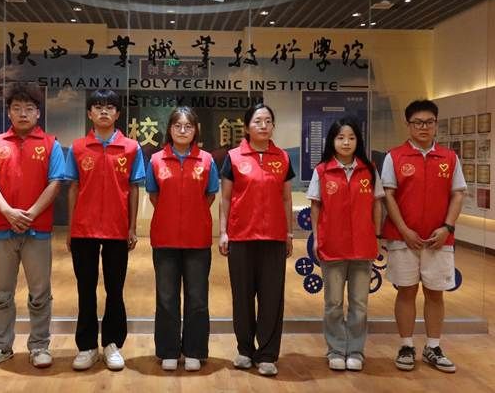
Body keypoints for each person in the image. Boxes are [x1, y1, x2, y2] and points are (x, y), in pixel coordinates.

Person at [0, 83, 65, 369]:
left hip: (38, 230)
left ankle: (39, 345)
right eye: (17, 108)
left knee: (40, 293)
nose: (23, 113)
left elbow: (56, 182)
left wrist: (31, 214)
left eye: (29, 108)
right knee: (1, 293)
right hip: (3, 229)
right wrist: (7, 211)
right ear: (9, 112)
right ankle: (0, 346)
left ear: (38, 113)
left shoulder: (50, 144)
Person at [382, 99, 466, 373]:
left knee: (435, 293)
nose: (424, 127)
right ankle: (406, 346)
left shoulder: (449, 158)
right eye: (418, 122)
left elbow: (458, 194)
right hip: (402, 239)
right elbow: (388, 196)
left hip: (439, 240)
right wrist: (404, 231)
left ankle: (433, 347)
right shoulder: (394, 156)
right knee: (406, 291)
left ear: (436, 124)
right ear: (408, 125)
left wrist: (447, 227)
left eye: (429, 122)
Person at [65, 89, 145, 371]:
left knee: (115, 290)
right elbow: (73, 188)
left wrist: (132, 227)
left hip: (116, 229)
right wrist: (70, 229)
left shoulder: (131, 148)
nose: (103, 111)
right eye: (98, 107)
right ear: (89, 113)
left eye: (110, 107)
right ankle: (87, 346)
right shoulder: (77, 147)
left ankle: (112, 344)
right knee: (85, 290)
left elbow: (133, 189)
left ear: (118, 114)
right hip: (83, 230)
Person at [218, 103, 294, 377]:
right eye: (258, 121)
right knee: (242, 296)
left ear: (273, 126)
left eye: (268, 121)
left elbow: (286, 199)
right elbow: (226, 199)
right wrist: (224, 232)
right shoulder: (233, 157)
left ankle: (268, 354)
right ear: (247, 126)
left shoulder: (283, 157)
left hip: (273, 237)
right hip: (241, 236)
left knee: (272, 297)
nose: (263, 125)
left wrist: (288, 233)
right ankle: (245, 349)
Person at [307, 117, 384, 371]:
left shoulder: (369, 170)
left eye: (351, 137)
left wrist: (376, 234)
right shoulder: (322, 170)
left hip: (363, 246)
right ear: (332, 141)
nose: (346, 142)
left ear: (358, 141)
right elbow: (316, 206)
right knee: (333, 304)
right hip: (332, 246)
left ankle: (356, 351)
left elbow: (377, 204)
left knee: (359, 304)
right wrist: (317, 238)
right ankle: (336, 349)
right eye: (340, 137)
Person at [145, 106, 219, 372]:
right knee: (166, 298)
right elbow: (154, 195)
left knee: (197, 298)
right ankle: (168, 350)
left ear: (196, 130)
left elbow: (210, 195)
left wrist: (192, 214)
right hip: (164, 238)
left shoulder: (207, 160)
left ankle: (194, 350)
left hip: (197, 239)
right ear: (170, 129)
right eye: (178, 126)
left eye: (188, 126)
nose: (183, 130)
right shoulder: (156, 160)